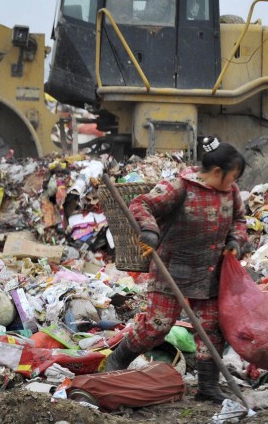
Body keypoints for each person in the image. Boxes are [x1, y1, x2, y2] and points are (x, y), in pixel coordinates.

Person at [103, 136, 248, 403]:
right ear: (217, 172)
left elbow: (239, 220)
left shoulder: (232, 192)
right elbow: (141, 204)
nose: (233, 182)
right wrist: (149, 230)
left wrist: (235, 242)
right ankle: (117, 360)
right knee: (157, 325)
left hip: (209, 272)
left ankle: (207, 386)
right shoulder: (180, 186)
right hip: (172, 267)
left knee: (211, 328)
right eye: (232, 176)